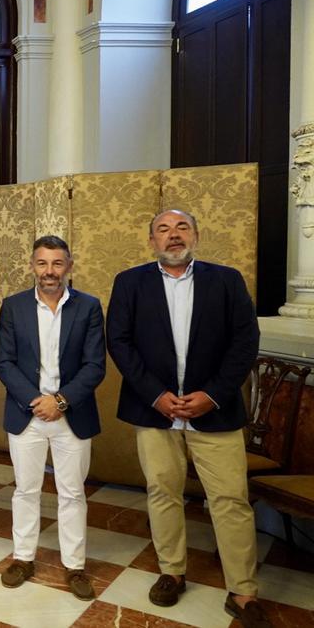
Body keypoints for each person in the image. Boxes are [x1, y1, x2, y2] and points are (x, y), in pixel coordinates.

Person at [107, 210, 268, 627]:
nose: (173, 236)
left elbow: (245, 341)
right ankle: (172, 572)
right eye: (163, 229)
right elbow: (120, 343)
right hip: (155, 410)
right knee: (162, 492)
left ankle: (243, 591)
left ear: (196, 235)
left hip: (214, 412)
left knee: (230, 500)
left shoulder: (226, 280)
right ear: (151, 241)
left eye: (182, 228)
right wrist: (156, 395)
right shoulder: (130, 282)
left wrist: (213, 395)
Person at [0, 235, 105, 600]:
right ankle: (23, 558)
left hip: (72, 415)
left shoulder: (88, 307)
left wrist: (60, 400)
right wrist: (36, 401)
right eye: (42, 263)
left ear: (69, 266)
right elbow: (3, 363)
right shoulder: (13, 307)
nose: (50, 271)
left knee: (72, 493)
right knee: (25, 490)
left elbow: (95, 365)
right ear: (32, 266)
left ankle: (74, 567)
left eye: (57, 263)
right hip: (27, 414)